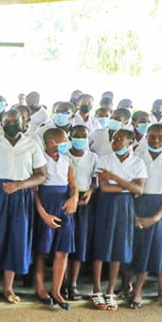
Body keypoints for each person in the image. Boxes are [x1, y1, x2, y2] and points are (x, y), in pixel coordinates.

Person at [0, 110, 47, 304]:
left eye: (15, 121)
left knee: (16, 239)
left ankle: (8, 288)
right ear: (1, 123)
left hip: (21, 195)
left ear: (23, 122)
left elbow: (41, 175)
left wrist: (20, 185)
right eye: (7, 121)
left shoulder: (32, 144)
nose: (11, 124)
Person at [90, 129, 146, 311]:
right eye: (114, 139)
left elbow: (139, 190)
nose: (115, 143)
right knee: (101, 245)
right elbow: (104, 188)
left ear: (130, 142)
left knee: (118, 247)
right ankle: (96, 289)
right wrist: (128, 186)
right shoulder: (105, 159)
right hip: (106, 204)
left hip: (125, 207)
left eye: (120, 140)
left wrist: (114, 177)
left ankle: (110, 291)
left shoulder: (138, 162)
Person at [33, 128, 79, 310]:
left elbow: (73, 185)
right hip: (46, 205)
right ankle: (40, 287)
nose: (66, 142)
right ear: (52, 142)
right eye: (63, 140)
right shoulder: (39, 160)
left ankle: (57, 290)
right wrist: (43, 213)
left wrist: (74, 198)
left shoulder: (67, 160)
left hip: (64, 206)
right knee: (42, 250)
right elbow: (34, 191)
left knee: (63, 250)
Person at [128, 123, 162, 309]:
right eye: (152, 136)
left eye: (160, 137)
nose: (156, 140)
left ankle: (140, 289)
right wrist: (133, 214)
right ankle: (130, 287)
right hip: (137, 205)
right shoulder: (137, 156)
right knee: (136, 249)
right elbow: (129, 188)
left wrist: (156, 217)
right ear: (146, 137)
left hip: (159, 208)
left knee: (154, 250)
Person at [65, 125, 97, 300]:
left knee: (80, 243)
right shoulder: (64, 155)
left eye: (83, 136)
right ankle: (61, 282)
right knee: (63, 244)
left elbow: (94, 180)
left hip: (84, 202)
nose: (80, 139)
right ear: (70, 137)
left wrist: (90, 192)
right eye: (76, 136)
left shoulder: (93, 157)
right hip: (66, 201)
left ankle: (73, 284)